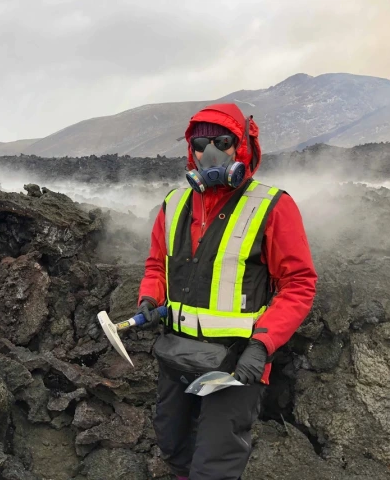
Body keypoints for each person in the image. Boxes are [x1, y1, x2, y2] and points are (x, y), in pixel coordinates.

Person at [136, 103, 317, 480]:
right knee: (172, 443)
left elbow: (299, 284)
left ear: (243, 147)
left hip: (237, 364)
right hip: (178, 353)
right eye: (200, 143)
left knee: (215, 464)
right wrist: (150, 299)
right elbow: (157, 266)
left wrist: (262, 346)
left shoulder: (272, 206)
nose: (210, 151)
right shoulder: (173, 203)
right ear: (191, 150)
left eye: (223, 140)